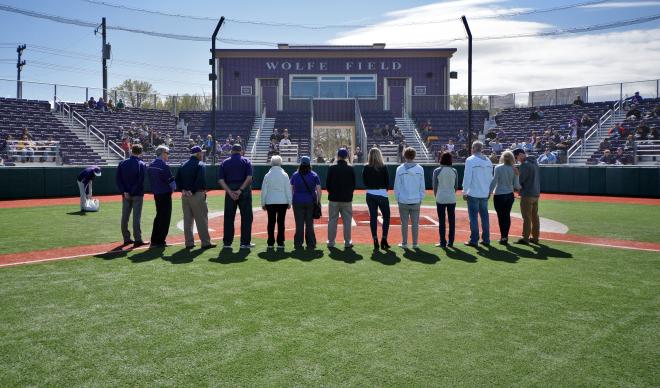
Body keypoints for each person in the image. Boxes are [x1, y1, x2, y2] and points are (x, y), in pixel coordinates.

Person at [175, 146, 215, 249]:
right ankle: (205, 242)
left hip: (184, 195)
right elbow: (200, 180)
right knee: (201, 219)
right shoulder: (200, 164)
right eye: (201, 153)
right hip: (196, 194)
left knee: (187, 220)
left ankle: (189, 243)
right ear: (197, 154)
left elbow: (177, 180)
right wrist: (191, 191)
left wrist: (183, 190)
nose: (202, 155)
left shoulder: (183, 164)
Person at [217, 144, 254, 249]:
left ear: (231, 151)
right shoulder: (246, 161)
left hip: (230, 190)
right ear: (241, 151)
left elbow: (220, 180)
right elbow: (249, 178)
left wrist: (229, 191)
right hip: (244, 191)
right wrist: (240, 190)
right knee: (246, 217)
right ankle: (245, 243)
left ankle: (227, 243)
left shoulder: (225, 162)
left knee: (229, 217)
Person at [462, 141, 493, 247]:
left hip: (473, 193)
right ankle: (486, 239)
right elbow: (490, 178)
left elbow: (467, 177)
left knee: (473, 217)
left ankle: (474, 240)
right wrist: (489, 191)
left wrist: (465, 191)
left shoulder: (470, 160)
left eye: (472, 147)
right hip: (484, 193)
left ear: (474, 148)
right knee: (485, 217)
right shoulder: (488, 161)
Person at [394, 147, 425, 249]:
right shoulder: (420, 169)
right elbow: (422, 186)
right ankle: (415, 244)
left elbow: (397, 186)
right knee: (415, 223)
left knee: (404, 224)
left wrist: (397, 198)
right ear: (414, 156)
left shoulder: (400, 169)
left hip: (403, 200)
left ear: (405, 155)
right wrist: (420, 198)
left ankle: (404, 243)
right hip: (415, 200)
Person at [116, 144, 147, 247]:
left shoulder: (122, 163)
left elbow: (118, 180)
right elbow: (140, 181)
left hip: (125, 195)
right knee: (136, 218)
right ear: (141, 152)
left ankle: (126, 239)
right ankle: (138, 239)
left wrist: (125, 191)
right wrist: (131, 191)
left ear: (131, 151)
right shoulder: (141, 164)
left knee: (125, 217)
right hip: (137, 194)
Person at [325, 148, 356, 248]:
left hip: (334, 199)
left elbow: (327, 184)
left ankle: (331, 242)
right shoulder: (350, 168)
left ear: (338, 156)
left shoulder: (332, 168)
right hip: (346, 199)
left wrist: (332, 193)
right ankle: (347, 242)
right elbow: (353, 184)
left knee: (332, 220)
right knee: (347, 221)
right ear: (346, 156)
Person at [260, 155, 292, 249]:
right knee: (281, 222)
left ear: (271, 163)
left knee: (271, 222)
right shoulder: (284, 174)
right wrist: (290, 202)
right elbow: (288, 189)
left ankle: (270, 242)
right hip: (282, 201)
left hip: (270, 201)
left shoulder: (267, 175)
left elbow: (264, 190)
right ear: (280, 163)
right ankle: (280, 242)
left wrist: (263, 203)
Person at [489, 151, 520, 245]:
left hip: (499, 194)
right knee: (506, 216)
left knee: (501, 216)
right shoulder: (514, 169)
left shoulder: (498, 168)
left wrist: (489, 192)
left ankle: (503, 236)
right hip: (509, 195)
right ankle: (505, 237)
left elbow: (494, 181)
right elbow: (516, 185)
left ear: (502, 157)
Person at [290, 156, 321, 249]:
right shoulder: (314, 175)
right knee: (309, 224)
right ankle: (311, 243)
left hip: (297, 201)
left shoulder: (295, 175)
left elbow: (291, 188)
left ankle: (298, 243)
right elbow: (319, 190)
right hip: (310, 201)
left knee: (299, 224)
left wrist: (292, 199)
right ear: (309, 164)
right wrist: (318, 201)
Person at [362, 147, 390, 250]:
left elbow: (364, 182)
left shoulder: (366, 167)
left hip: (370, 194)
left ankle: (375, 239)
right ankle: (384, 239)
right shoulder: (383, 167)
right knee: (386, 217)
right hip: (382, 193)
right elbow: (387, 182)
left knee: (373, 217)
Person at [147, 145, 175, 248]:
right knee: (165, 217)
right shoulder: (163, 165)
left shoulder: (151, 164)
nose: (168, 155)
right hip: (165, 194)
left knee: (159, 216)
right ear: (163, 153)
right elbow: (172, 183)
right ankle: (160, 241)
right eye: (167, 153)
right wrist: (172, 189)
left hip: (156, 193)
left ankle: (154, 239)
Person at [514, 148, 541, 244]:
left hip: (527, 194)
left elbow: (520, 181)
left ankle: (525, 238)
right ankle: (535, 237)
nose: (517, 159)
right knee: (535, 216)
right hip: (536, 193)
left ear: (521, 154)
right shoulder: (535, 163)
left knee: (527, 217)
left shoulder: (525, 165)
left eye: (516, 157)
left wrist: (514, 188)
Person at [432, 152, 458, 248]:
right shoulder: (454, 170)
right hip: (451, 198)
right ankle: (451, 242)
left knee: (442, 221)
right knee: (452, 221)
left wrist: (437, 195)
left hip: (440, 198)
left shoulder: (437, 171)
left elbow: (434, 186)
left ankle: (442, 242)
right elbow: (456, 186)